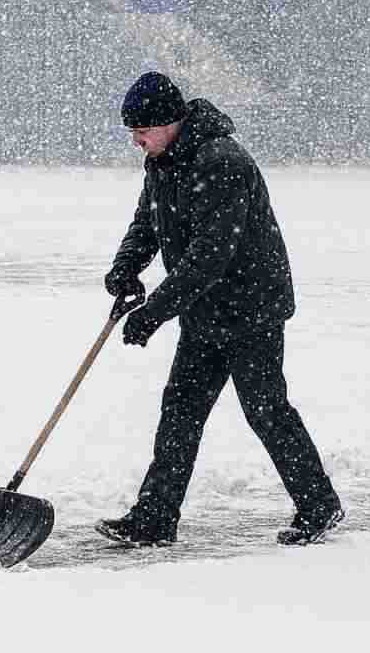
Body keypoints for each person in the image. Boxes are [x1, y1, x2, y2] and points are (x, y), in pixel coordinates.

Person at [97, 72, 343, 547]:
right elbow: (147, 223)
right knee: (181, 410)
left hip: (251, 308)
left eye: (141, 131)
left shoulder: (221, 161)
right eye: (132, 132)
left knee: (265, 410)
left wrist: (155, 311)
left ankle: (320, 505)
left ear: (170, 121)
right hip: (205, 311)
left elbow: (212, 256)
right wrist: (125, 268)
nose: (136, 141)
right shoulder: (163, 161)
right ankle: (154, 518)